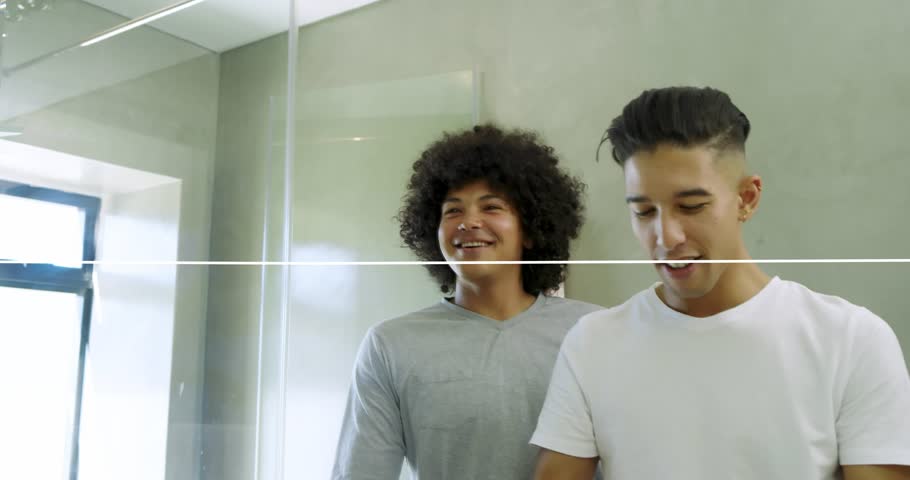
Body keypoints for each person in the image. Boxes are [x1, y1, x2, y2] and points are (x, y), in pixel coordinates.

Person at [530, 86, 910, 480]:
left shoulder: (850, 340)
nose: (666, 237)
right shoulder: (593, 343)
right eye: (643, 211)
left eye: (691, 207)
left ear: (747, 198)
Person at [331, 124, 605, 480]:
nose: (469, 222)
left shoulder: (594, 333)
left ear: (533, 229)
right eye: (452, 211)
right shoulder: (390, 346)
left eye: (491, 207)